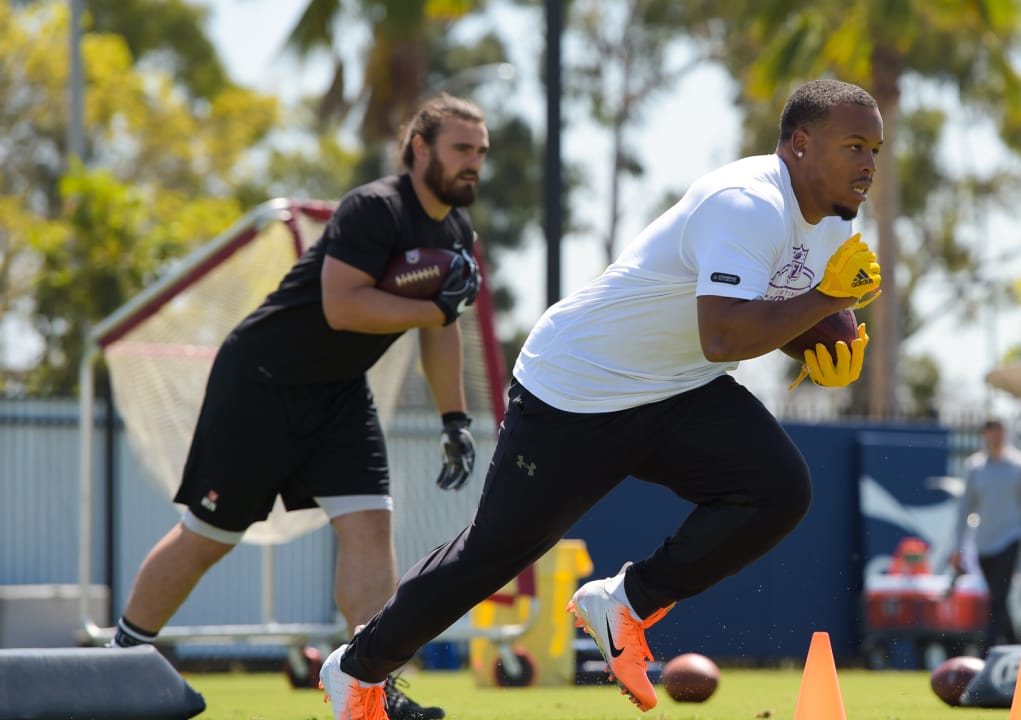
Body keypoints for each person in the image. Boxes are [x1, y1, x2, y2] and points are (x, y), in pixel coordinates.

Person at [318, 77, 884, 719]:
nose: (868, 163)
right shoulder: (747, 203)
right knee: (492, 556)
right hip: (576, 387)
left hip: (676, 385)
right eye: (855, 145)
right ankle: (356, 672)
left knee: (779, 488)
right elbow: (724, 333)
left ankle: (625, 603)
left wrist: (820, 352)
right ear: (801, 144)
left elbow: (770, 311)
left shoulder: (834, 222)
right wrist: (829, 301)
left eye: (876, 150)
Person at [109, 94, 488, 720]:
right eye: (461, 149)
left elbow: (439, 331)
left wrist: (454, 419)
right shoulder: (374, 208)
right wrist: (435, 306)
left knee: (370, 527)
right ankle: (122, 663)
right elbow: (345, 306)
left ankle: (370, 690)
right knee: (209, 537)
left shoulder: (454, 234)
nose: (473, 163)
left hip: (340, 391)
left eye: (480, 152)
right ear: (419, 149)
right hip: (261, 383)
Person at [949, 417, 1021, 654]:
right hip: (985, 544)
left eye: (1001, 431)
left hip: (1011, 538)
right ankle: (1019, 650)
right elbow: (965, 509)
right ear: (984, 434)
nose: (998, 436)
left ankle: (987, 652)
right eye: (993, 431)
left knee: (998, 597)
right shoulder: (975, 467)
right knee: (998, 598)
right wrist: (957, 548)